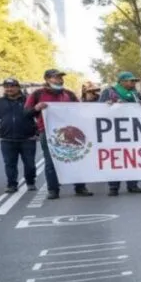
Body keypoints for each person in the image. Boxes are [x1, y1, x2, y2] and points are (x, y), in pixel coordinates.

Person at [25, 69, 93, 200]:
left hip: (71, 131)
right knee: (51, 162)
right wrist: (36, 108)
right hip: (49, 132)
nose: (60, 80)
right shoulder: (37, 94)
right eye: (55, 77)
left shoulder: (69, 94)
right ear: (47, 79)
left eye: (60, 77)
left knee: (77, 159)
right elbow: (26, 114)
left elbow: (80, 111)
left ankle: (80, 187)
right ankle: (53, 190)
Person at [97, 72, 141, 196]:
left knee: (132, 157)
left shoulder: (136, 94)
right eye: (131, 81)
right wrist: (107, 105)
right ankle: (113, 186)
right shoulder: (109, 92)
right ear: (122, 82)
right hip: (113, 129)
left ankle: (132, 184)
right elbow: (99, 108)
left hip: (132, 129)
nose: (134, 83)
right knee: (115, 158)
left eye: (135, 81)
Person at [0, 78, 36, 192]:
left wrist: (37, 132)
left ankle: (30, 182)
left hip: (27, 138)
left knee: (30, 164)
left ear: (18, 87)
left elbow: (38, 115)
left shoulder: (28, 100)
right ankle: (12, 185)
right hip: (7, 139)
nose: (9, 89)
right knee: (10, 164)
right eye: (7, 87)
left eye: (12, 86)